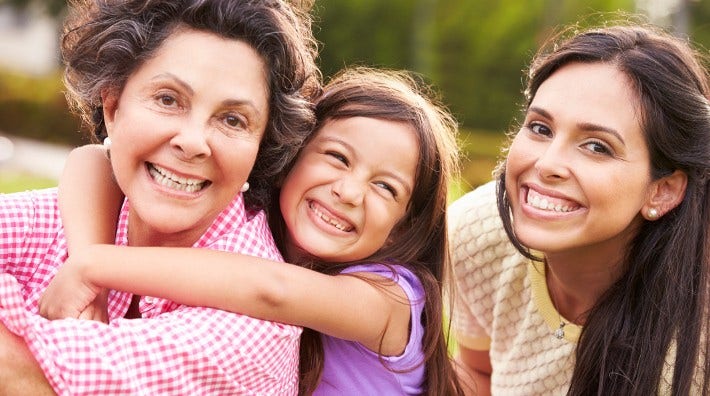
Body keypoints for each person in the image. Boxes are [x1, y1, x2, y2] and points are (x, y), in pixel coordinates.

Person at [39, 67, 466, 395]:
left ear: (400, 228)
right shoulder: (251, 227)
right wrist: (86, 261)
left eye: (385, 187)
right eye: (337, 157)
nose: (350, 191)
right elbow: (95, 160)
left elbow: (273, 291)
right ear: (290, 154)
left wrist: (98, 266)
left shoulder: (390, 299)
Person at [0, 0, 321, 394]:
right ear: (113, 106)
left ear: (260, 148)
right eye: (168, 99)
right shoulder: (64, 218)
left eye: (232, 120)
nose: (192, 142)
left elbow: (18, 372)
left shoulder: (253, 327)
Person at [448, 22, 710, 395]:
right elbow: (479, 374)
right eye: (540, 128)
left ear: (662, 191)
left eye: (597, 146)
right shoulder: (479, 233)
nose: (547, 164)